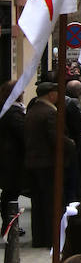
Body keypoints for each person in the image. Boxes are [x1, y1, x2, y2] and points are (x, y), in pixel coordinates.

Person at [23, 81, 75, 248]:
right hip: (48, 163)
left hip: (33, 163)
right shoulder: (49, 113)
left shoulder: (32, 111)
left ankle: (40, 238)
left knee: (38, 203)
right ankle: (52, 238)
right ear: (51, 95)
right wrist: (71, 144)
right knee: (52, 201)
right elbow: (56, 138)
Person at [0, 80, 26, 238]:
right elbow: (22, 133)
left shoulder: (7, 109)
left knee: (10, 193)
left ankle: (9, 224)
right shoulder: (12, 112)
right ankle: (9, 225)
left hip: (8, 157)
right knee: (11, 193)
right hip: (11, 158)